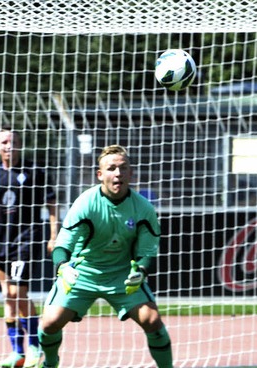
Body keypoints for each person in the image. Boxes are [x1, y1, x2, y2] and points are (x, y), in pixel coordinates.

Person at [37, 145, 173, 368]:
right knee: (49, 323)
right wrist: (63, 267)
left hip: (121, 277)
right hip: (82, 274)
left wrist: (140, 271)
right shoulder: (85, 203)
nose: (118, 173)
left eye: (123, 168)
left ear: (131, 173)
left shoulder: (144, 208)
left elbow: (147, 251)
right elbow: (62, 244)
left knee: (153, 321)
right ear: (100, 175)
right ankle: (50, 363)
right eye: (111, 168)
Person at [0, 127, 58, 368]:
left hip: (27, 239)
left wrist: (53, 235)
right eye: (4, 142)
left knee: (17, 294)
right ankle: (17, 352)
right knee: (8, 296)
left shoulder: (34, 170)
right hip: (2, 243)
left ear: (19, 145)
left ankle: (35, 347)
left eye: (13, 141)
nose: (8, 146)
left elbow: (52, 203)